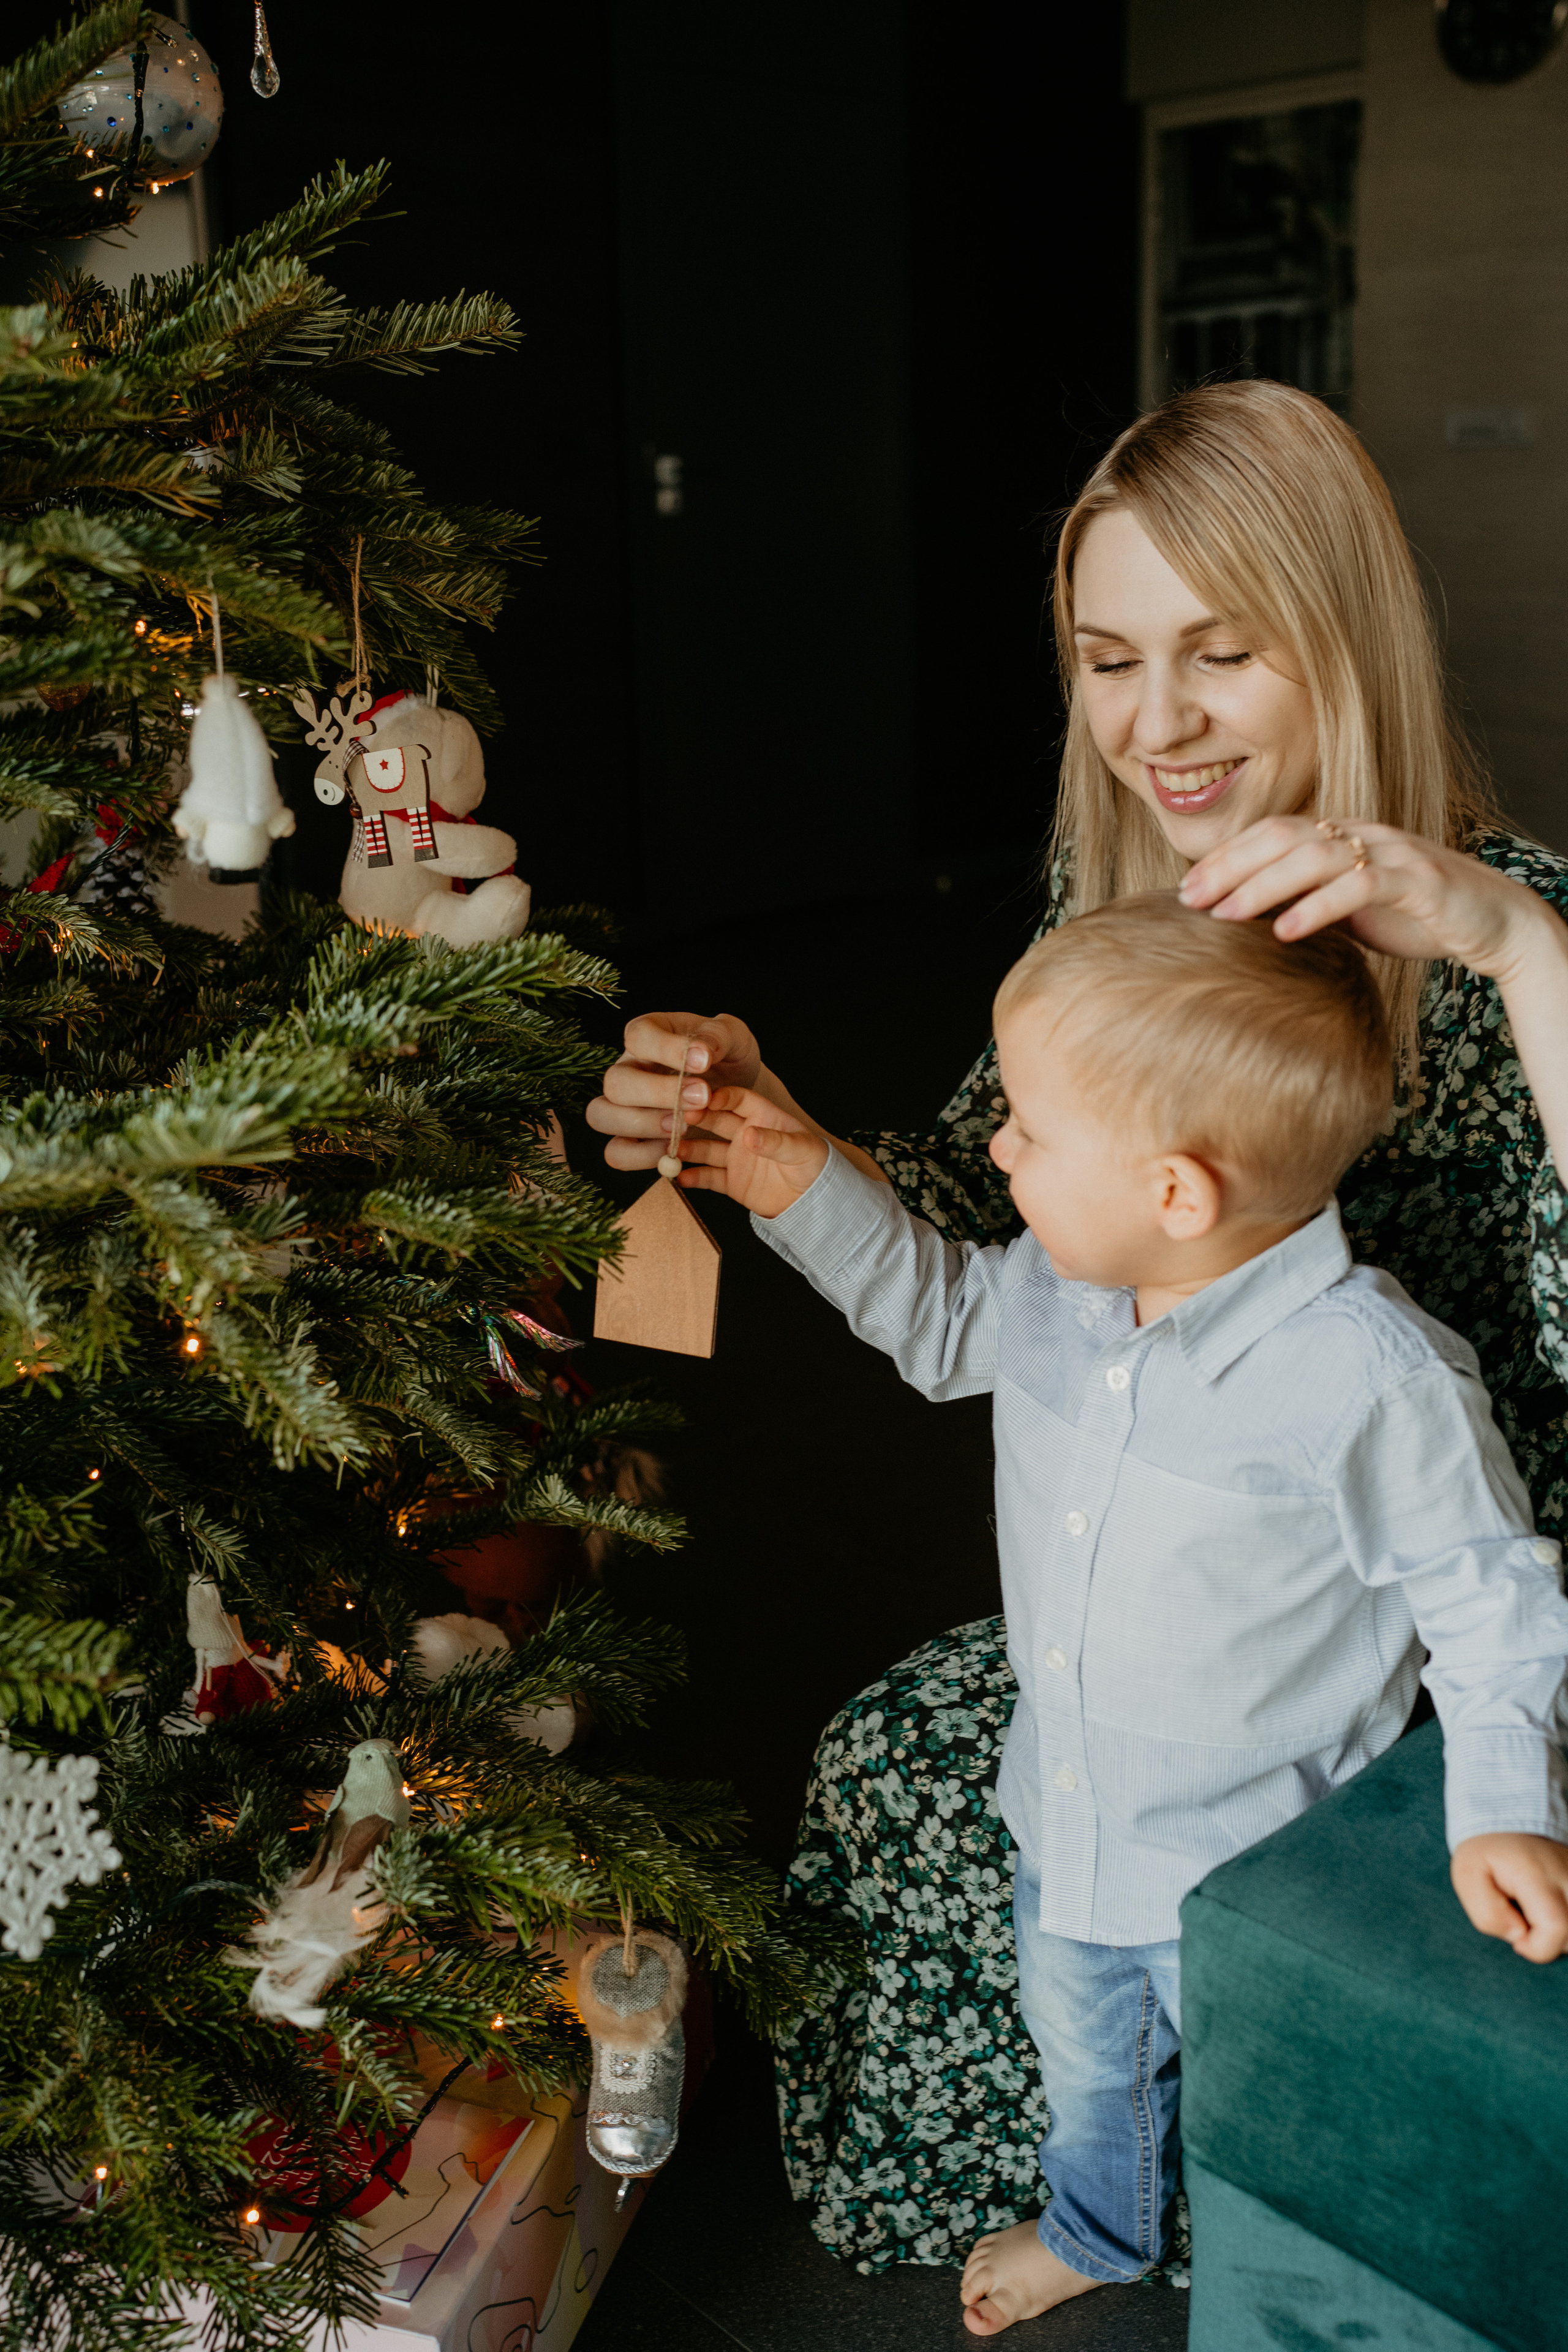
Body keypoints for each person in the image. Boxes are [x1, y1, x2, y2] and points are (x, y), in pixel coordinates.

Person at [585, 379, 1568, 2275]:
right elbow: (988, 1230)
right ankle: (1116, 2198)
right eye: (1109, 661)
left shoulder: (1506, 925)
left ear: (1340, 641)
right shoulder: (1124, 885)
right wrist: (774, 1136)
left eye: (1223, 655)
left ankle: (1247, 2195)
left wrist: (1510, 948)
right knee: (905, 1767)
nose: (1157, 725)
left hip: (1457, 1580)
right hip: (1199, 1567)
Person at [684, 891, 1568, 2331]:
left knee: (1264, 2101)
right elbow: (937, 1317)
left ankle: (1267, 2274)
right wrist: (799, 1181)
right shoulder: (1066, 1283)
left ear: (1175, 1191)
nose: (996, 1145)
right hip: (1072, 1815)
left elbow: (1485, 1595)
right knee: (1084, 2056)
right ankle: (1097, 2227)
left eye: (1028, 1128)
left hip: (1256, 1862)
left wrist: (1501, 1806)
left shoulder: (1368, 1379)